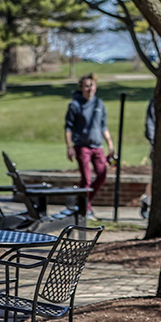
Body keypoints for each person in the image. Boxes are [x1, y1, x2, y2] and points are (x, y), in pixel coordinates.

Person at [64, 73, 114, 220]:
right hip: (82, 146)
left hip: (98, 146)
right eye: (87, 86)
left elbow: (103, 126)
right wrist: (69, 147)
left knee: (102, 174)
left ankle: (83, 202)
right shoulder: (75, 105)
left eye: (92, 85)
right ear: (81, 87)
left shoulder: (99, 104)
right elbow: (68, 128)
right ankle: (85, 209)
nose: (90, 88)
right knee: (86, 178)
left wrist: (110, 144)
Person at [141, 97, 155, 219]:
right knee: (156, 176)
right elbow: (149, 124)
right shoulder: (155, 101)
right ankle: (147, 200)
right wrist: (154, 141)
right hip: (158, 145)